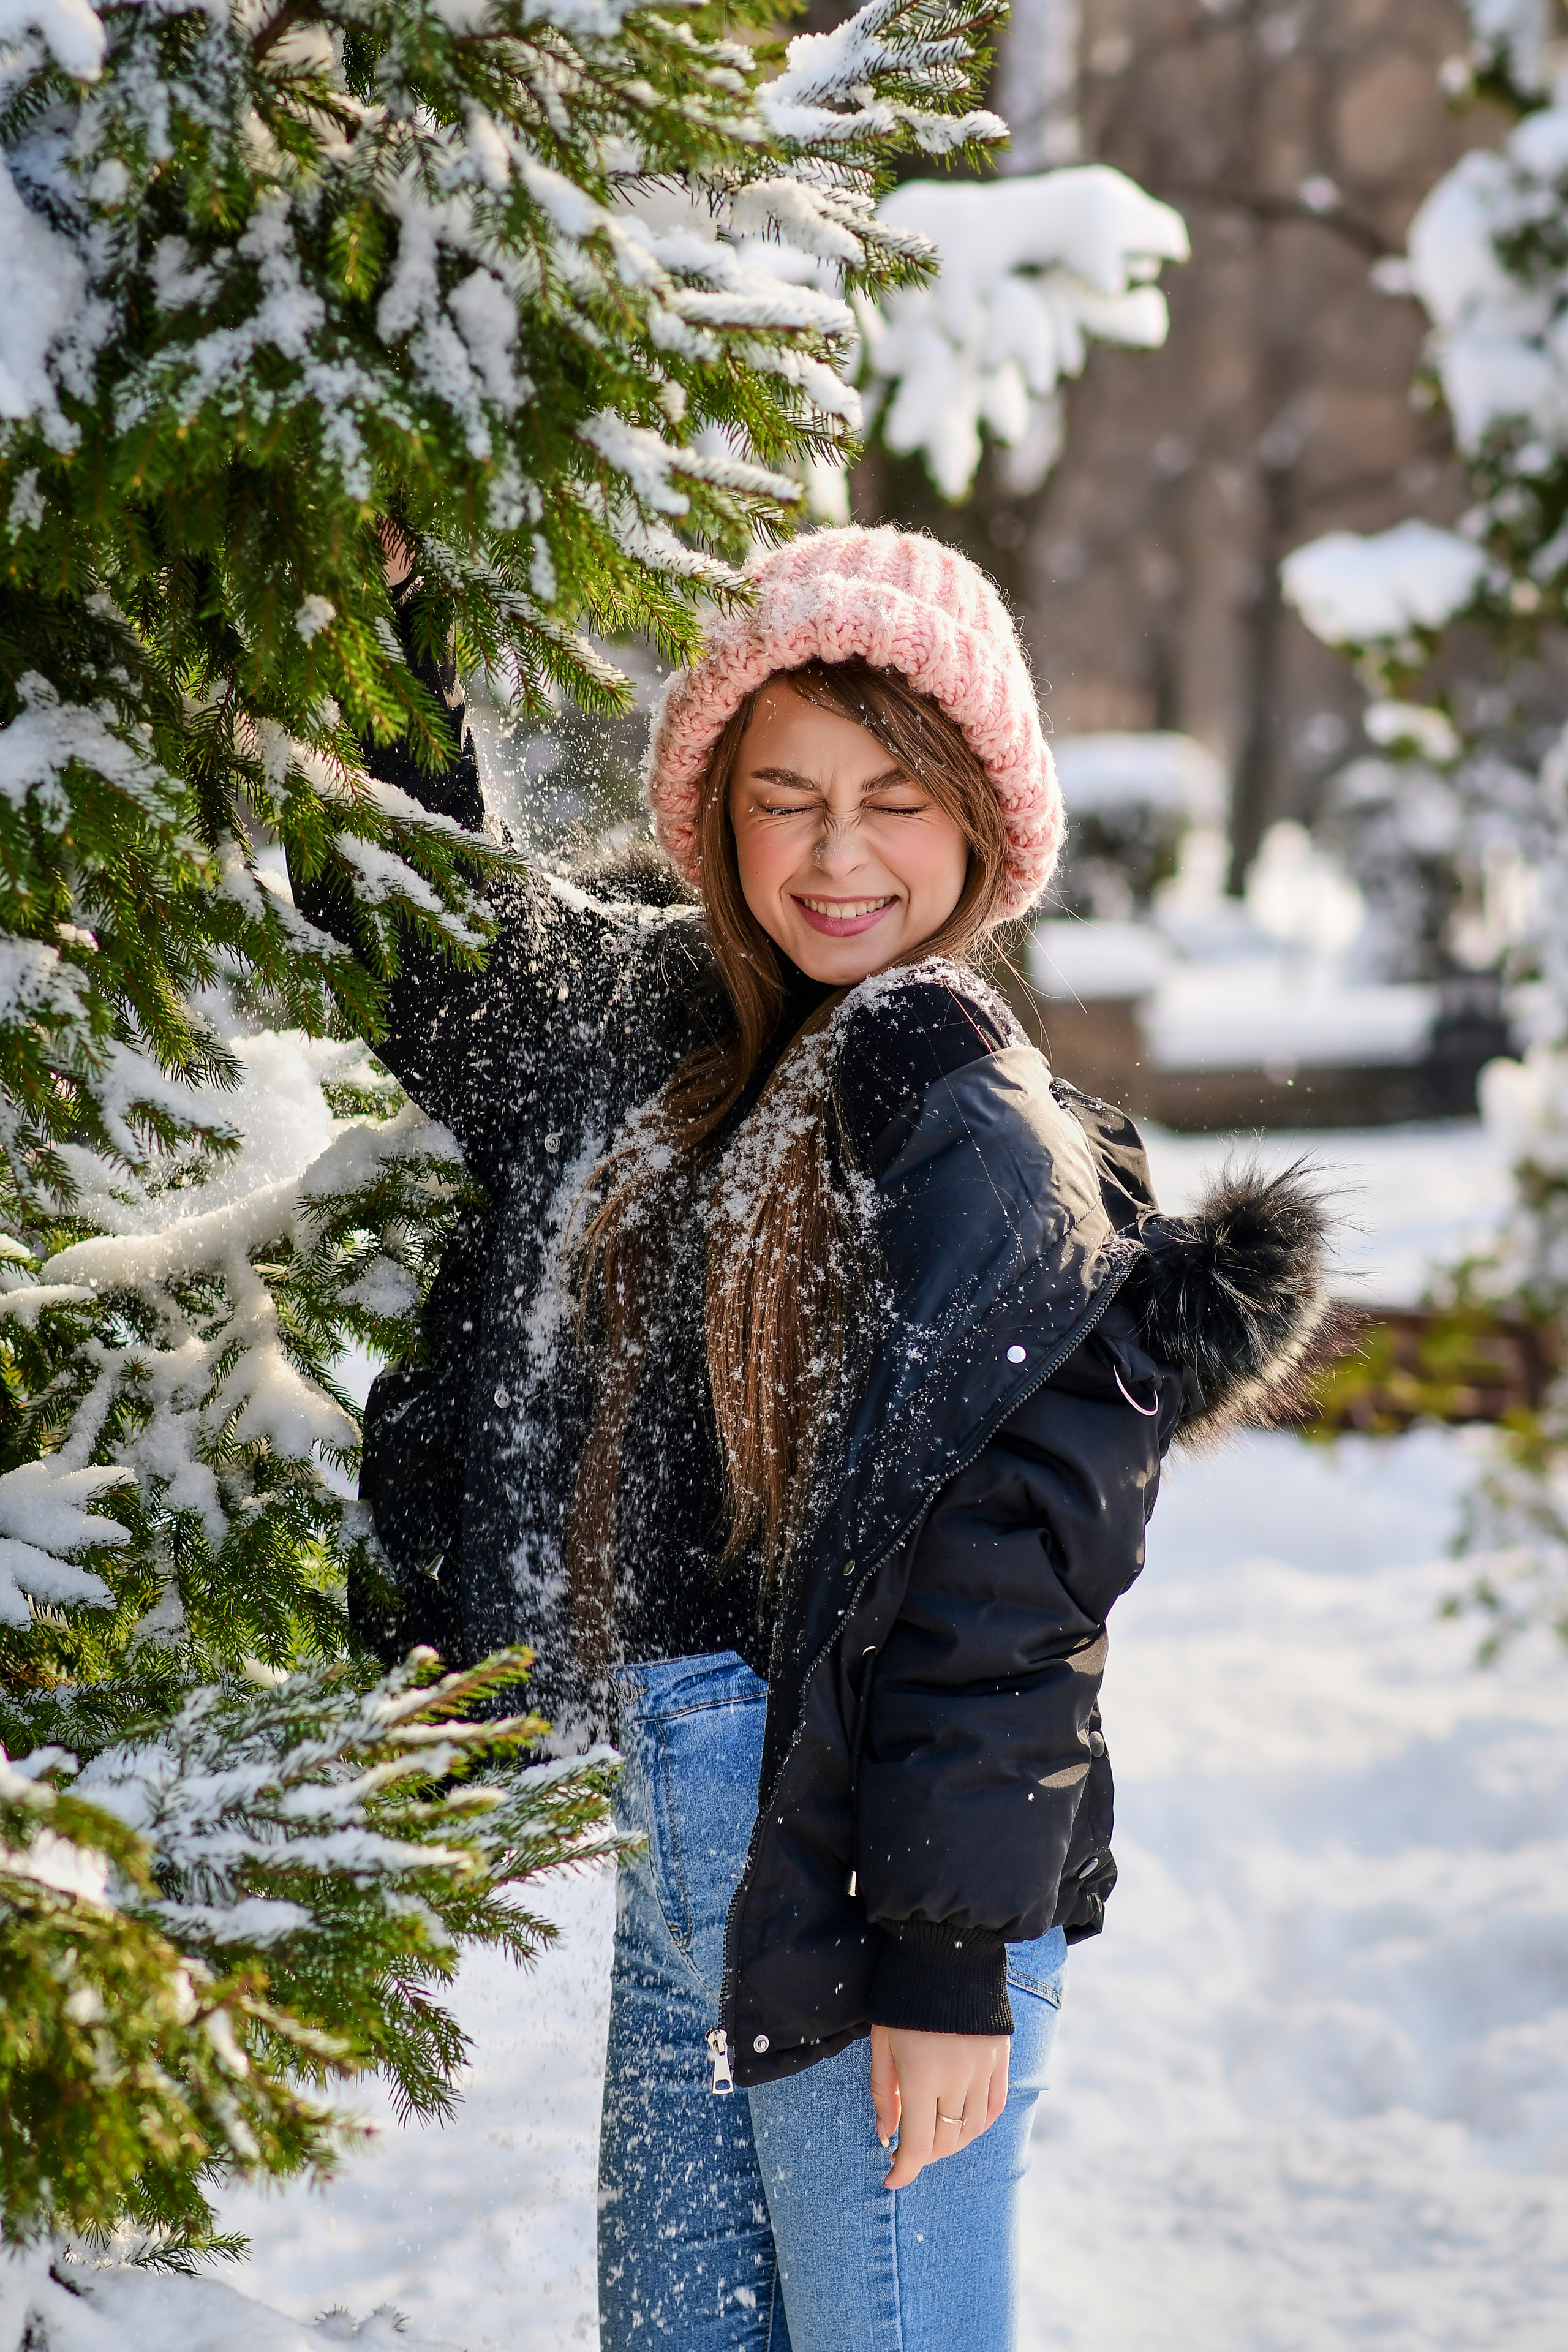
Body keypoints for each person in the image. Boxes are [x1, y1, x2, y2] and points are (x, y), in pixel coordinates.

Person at [299, 526, 1332, 2351]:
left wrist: (941, 1962)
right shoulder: (681, 1029)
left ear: (986, 830)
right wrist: (385, 612)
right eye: (784, 800)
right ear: (715, 821)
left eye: (893, 800)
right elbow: (441, 950)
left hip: (878, 1876)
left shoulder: (954, 1092)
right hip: (699, 1822)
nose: (839, 856)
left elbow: (1008, 1584)